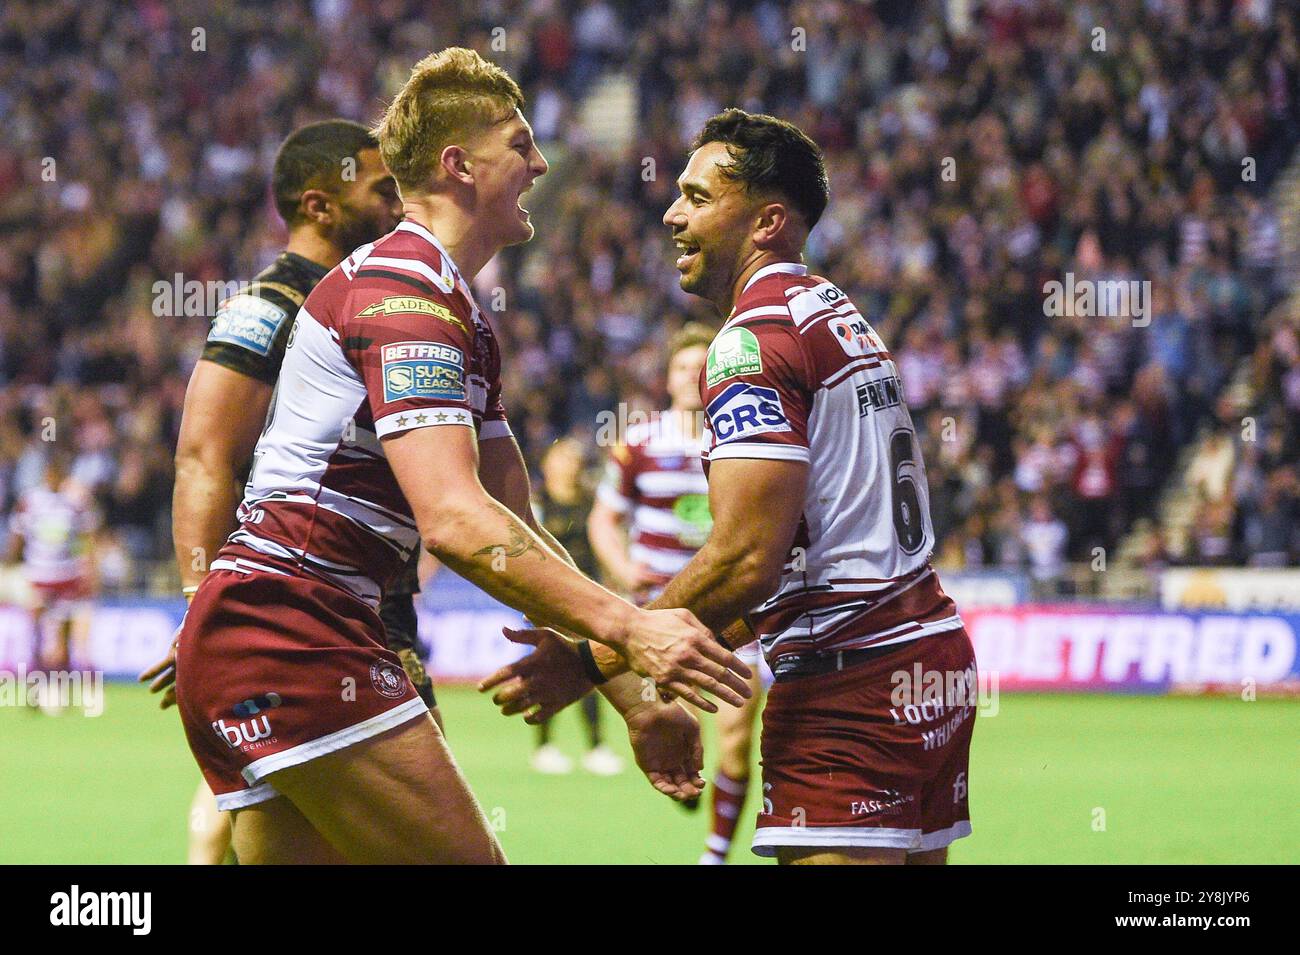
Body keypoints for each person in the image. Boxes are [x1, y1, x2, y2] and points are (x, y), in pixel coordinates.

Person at [172, 48, 749, 864]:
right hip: (297, 626)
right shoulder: (405, 292)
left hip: (279, 628)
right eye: (519, 144)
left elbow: (513, 518)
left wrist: (627, 689)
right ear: (458, 165)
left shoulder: (457, 310)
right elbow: (454, 519)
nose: (542, 163)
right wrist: (635, 629)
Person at [482, 109, 976, 865]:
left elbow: (749, 560)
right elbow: (810, 556)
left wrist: (592, 657)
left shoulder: (752, 341)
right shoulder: (839, 316)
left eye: (698, 196)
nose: (672, 214)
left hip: (851, 681)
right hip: (926, 656)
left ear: (768, 220)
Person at [138, 119, 417, 864]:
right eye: (381, 188)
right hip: (304, 614)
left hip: (365, 605)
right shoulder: (269, 306)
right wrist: (205, 600)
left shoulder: (373, 301)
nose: (399, 204)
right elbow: (204, 457)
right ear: (321, 204)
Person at [586, 322, 766, 861]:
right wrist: (622, 566)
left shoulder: (741, 439)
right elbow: (603, 519)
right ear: (667, 378)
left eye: (701, 366)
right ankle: (688, 780)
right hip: (658, 615)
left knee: (736, 732)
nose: (692, 375)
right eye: (683, 367)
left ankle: (715, 854)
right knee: (677, 733)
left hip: (728, 610)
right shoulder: (638, 442)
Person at [529, 438, 622, 776]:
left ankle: (596, 747)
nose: (569, 464)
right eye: (562, 457)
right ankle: (544, 746)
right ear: (548, 464)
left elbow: (606, 545)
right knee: (548, 669)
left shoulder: (592, 504)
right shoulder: (536, 505)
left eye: (573, 458)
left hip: (590, 602)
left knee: (590, 671)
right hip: (550, 605)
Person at [6, 452, 99, 712]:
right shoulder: (31, 501)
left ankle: (64, 689)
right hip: (38, 574)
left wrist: (89, 569)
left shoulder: (76, 500)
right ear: (46, 474)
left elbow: (88, 536)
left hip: (67, 576)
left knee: (66, 635)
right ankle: (35, 690)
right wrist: (11, 563)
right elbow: (17, 535)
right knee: (35, 632)